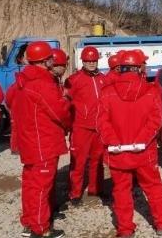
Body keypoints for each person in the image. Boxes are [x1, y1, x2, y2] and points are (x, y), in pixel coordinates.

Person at [97, 50, 162, 237]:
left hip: (118, 153)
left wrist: (114, 142)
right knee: (153, 187)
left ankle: (125, 229)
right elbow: (155, 121)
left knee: (121, 190)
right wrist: (140, 140)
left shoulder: (107, 92)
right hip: (143, 152)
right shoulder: (151, 91)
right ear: (139, 67)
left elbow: (101, 122)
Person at [14, 41, 71, 238]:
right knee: (41, 186)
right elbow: (59, 112)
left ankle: (30, 221)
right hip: (43, 141)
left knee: (31, 184)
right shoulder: (42, 83)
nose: (53, 62)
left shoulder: (24, 80)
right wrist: (67, 104)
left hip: (31, 140)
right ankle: (40, 228)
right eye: (50, 59)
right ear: (45, 61)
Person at [64, 46, 106, 205]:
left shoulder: (103, 79)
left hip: (98, 127)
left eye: (94, 60)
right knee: (78, 161)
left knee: (97, 160)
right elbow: (65, 103)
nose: (91, 63)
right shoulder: (74, 80)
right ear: (83, 61)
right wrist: (68, 124)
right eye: (88, 61)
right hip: (81, 127)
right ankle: (75, 193)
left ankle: (96, 188)